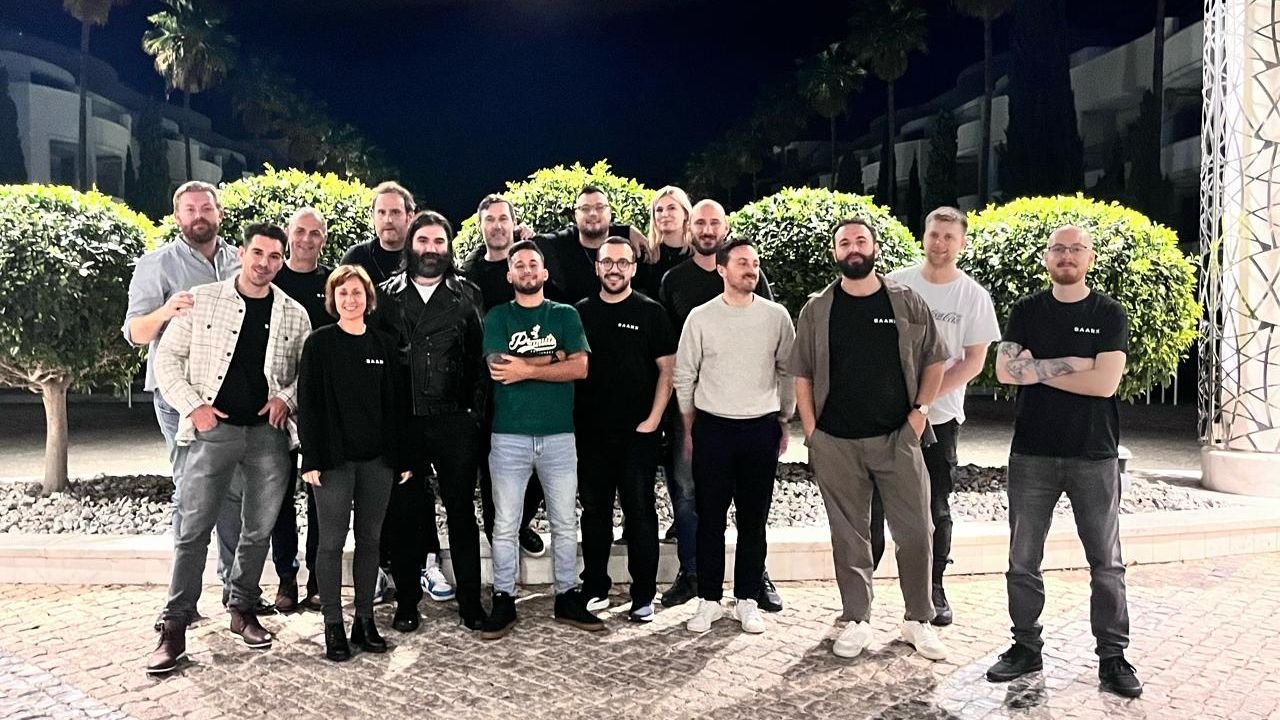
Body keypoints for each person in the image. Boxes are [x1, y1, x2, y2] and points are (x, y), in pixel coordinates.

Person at [146, 224, 311, 675]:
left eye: (274, 256)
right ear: (241, 253)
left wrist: (286, 398)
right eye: (258, 253)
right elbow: (167, 360)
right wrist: (193, 406)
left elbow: (307, 373)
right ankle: (175, 623)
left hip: (267, 435)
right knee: (193, 527)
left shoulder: (294, 313)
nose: (265, 263)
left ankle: (242, 607)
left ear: (282, 261)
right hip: (212, 431)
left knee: (258, 528)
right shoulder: (202, 300)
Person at [987, 225, 1142, 698]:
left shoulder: (1108, 313)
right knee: (1022, 561)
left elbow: (1105, 384)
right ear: (1047, 257)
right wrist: (1078, 362)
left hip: (1093, 454)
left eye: (1076, 249)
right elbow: (1004, 371)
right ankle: (1025, 647)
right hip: (1031, 453)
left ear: (1089, 258)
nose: (1067, 255)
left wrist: (1036, 369)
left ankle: (1113, 657)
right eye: (1059, 248)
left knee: (1106, 564)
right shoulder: (1027, 310)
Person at [789, 217, 949, 661]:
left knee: (917, 531)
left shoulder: (905, 301)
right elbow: (802, 374)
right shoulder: (818, 308)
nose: (853, 248)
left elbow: (935, 360)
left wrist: (919, 414)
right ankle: (857, 619)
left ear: (875, 248)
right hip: (836, 441)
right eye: (845, 243)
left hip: (899, 438)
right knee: (849, 537)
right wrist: (813, 433)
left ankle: (918, 619)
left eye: (861, 240)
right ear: (835, 253)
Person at [865, 206, 1001, 626]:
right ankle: (861, 593)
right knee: (872, 506)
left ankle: (934, 588)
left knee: (935, 507)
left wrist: (921, 401)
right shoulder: (895, 284)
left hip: (939, 420)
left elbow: (973, 362)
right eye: (934, 234)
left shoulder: (972, 296)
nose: (940, 243)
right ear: (922, 237)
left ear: (962, 243)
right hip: (885, 417)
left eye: (949, 237)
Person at [122, 181, 242, 609]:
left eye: (206, 208)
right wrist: (167, 310)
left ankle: (235, 592)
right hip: (179, 399)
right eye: (189, 210)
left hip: (231, 396)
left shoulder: (240, 260)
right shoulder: (156, 265)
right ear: (177, 217)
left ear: (219, 213)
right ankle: (182, 603)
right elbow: (136, 333)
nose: (198, 216)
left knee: (234, 493)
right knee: (192, 494)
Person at [656, 199, 780, 611]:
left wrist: (781, 416)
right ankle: (694, 577)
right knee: (691, 498)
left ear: (725, 228)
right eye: (700, 223)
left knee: (752, 508)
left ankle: (754, 581)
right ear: (689, 228)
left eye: (715, 223)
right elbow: (673, 355)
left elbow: (777, 349)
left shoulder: (756, 284)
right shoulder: (674, 281)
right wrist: (684, 416)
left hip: (753, 416)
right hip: (697, 412)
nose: (707, 230)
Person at [370, 210, 489, 632]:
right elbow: (377, 363)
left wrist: (474, 416)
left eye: (439, 242)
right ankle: (407, 602)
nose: (431, 250)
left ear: (449, 247)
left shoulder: (468, 294)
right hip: (405, 422)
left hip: (454, 420)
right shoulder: (385, 296)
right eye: (423, 241)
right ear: (410, 244)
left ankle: (471, 602)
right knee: (405, 514)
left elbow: (480, 361)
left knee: (461, 512)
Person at [480, 240, 601, 639]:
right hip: (509, 437)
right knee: (505, 523)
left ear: (544, 273)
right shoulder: (498, 316)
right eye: (520, 265)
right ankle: (503, 597)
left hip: (559, 436)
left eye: (534, 264)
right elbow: (500, 369)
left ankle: (567, 595)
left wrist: (529, 368)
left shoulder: (565, 314)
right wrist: (554, 358)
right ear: (509, 275)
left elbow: (580, 368)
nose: (527, 270)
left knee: (565, 521)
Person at [673, 238, 794, 636]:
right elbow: (685, 374)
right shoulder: (701, 318)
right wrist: (689, 424)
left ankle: (747, 598)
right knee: (710, 518)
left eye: (754, 263)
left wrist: (784, 418)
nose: (750, 269)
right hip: (713, 428)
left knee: (754, 520)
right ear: (722, 269)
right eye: (742, 262)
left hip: (760, 427)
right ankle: (708, 599)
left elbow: (787, 370)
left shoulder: (776, 316)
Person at [298, 265, 409, 661]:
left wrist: (402, 456)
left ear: (368, 298)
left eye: (357, 293)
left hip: (377, 461)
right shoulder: (319, 344)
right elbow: (308, 404)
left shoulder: (384, 345)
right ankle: (333, 625)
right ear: (333, 299)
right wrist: (310, 458)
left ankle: (365, 620)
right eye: (342, 293)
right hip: (333, 462)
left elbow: (396, 405)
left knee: (370, 541)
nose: (350, 299)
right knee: (330, 543)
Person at [575, 237, 676, 623]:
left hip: (638, 435)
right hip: (591, 434)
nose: (614, 269)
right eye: (607, 262)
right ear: (597, 267)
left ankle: (644, 595)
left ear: (633, 267)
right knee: (594, 513)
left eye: (622, 262)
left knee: (640, 513)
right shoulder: (580, 313)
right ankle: (595, 587)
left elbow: (668, 370)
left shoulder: (651, 312)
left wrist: (653, 420)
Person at [459, 194, 548, 557]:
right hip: (487, 387)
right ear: (480, 227)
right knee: (492, 465)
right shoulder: (468, 274)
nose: (497, 226)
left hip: (535, 380)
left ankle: (520, 523)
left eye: (503, 219)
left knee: (541, 463)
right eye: (490, 220)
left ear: (514, 223)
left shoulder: (530, 263)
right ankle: (501, 540)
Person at [269, 207, 334, 612]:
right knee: (279, 496)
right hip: (276, 404)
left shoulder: (333, 282)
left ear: (323, 239)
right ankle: (286, 577)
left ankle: (317, 579)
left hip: (320, 405)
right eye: (300, 231)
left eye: (315, 233)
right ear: (289, 234)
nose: (307, 239)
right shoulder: (273, 279)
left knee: (319, 496)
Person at [534, 185, 648, 304]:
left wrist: (627, 230)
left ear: (610, 213)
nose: (593, 213)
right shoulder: (559, 245)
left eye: (600, 207)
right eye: (585, 208)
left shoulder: (627, 248)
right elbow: (537, 242)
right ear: (576, 216)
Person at [341, 181, 415, 285]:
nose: (388, 220)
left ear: (410, 217)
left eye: (395, 212)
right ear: (373, 217)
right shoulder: (355, 259)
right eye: (381, 212)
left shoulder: (420, 260)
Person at [635, 185, 694, 300]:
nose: (665, 214)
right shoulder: (645, 256)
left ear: (686, 214)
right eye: (659, 210)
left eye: (672, 208)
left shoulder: (699, 256)